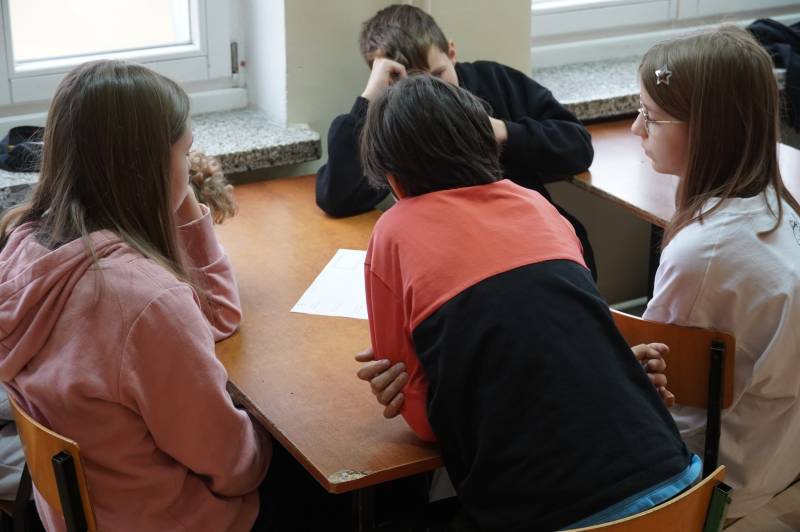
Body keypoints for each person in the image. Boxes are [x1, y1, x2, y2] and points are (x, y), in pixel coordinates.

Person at [360, 73, 697, 531]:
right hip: (678, 489)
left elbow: (425, 421)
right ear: (487, 144)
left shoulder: (394, 231)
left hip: (549, 514)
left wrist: (422, 389)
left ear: (393, 178)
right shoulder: (538, 205)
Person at [0, 60, 270, 531]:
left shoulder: (24, 247)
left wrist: (177, 191)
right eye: (186, 152)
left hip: (85, 515)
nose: (189, 164)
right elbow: (234, 468)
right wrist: (265, 439)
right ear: (150, 166)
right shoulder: (146, 304)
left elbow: (218, 318)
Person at [632, 26, 800, 518]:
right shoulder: (778, 210)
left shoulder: (704, 253)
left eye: (650, 116)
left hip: (708, 478)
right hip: (775, 459)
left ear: (706, 129)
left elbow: (653, 380)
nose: (637, 129)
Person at [316, 3, 598, 277]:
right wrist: (369, 98)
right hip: (452, 257)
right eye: (415, 86)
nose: (434, 93)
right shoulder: (396, 120)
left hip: (534, 240)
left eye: (439, 75)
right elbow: (337, 199)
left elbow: (577, 147)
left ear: (451, 52)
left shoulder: (494, 80)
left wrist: (502, 131)